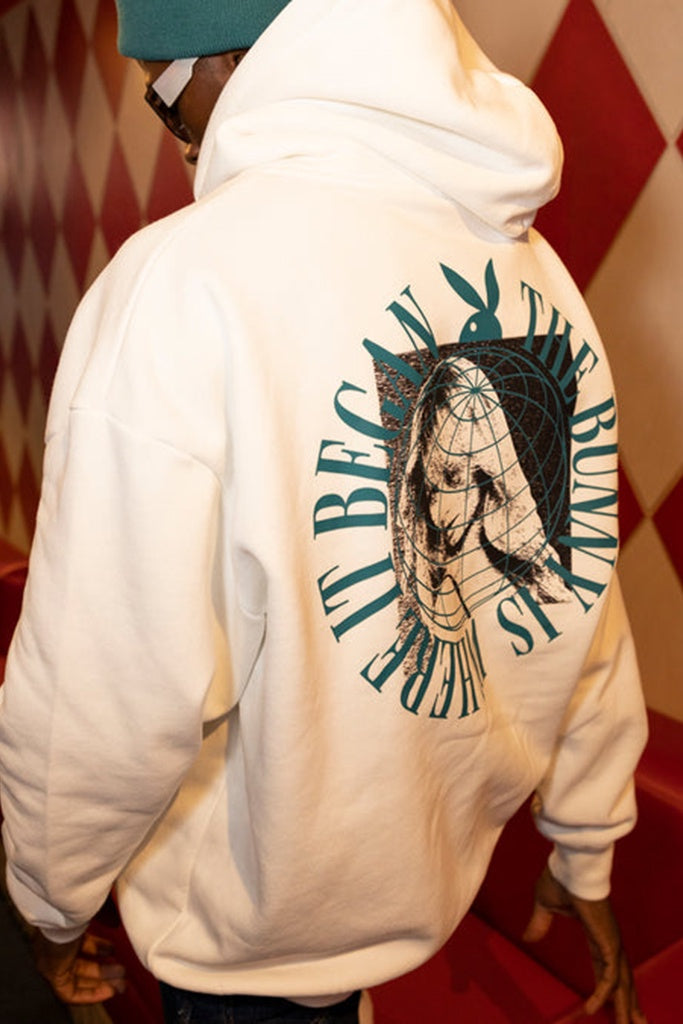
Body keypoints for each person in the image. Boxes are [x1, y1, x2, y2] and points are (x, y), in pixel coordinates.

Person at [0, 2, 648, 1023]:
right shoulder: (535, 274)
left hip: (244, 942)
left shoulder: (184, 282)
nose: (180, 141)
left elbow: (104, 682)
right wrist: (584, 842)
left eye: (164, 101)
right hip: (416, 899)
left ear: (226, 58)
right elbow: (581, 594)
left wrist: (47, 905)